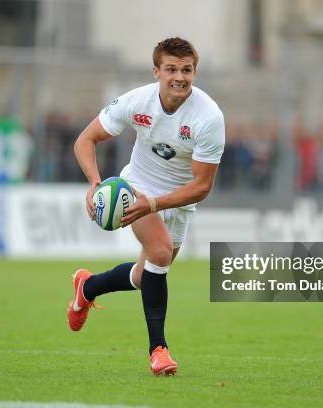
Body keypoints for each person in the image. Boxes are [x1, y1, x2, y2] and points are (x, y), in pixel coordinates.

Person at [68, 37, 225, 376]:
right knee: (161, 253)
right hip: (136, 187)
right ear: (157, 71)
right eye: (171, 69)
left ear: (194, 73)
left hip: (180, 199)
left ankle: (88, 287)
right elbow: (86, 139)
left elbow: (201, 187)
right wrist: (96, 184)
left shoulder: (208, 117)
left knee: (144, 275)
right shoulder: (136, 101)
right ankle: (159, 350)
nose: (179, 77)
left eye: (186, 70)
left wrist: (155, 204)